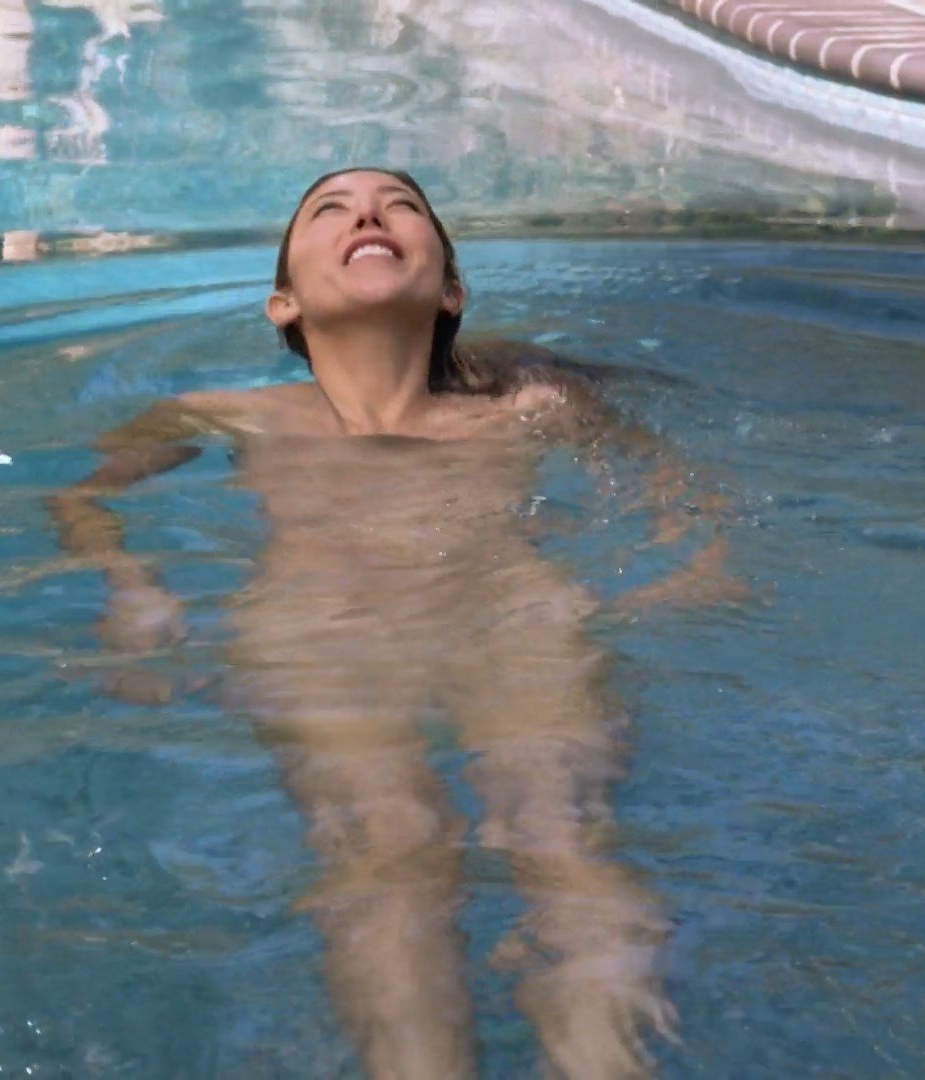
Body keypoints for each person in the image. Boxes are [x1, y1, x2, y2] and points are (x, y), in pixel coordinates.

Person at [47, 168, 739, 1079]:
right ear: (283, 305)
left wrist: (694, 567)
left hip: (512, 624)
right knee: (386, 848)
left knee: (561, 839)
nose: (368, 212)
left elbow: (676, 490)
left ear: (450, 289)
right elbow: (82, 499)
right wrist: (132, 589)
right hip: (321, 632)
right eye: (330, 210)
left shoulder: (530, 408)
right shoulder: (226, 416)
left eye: (401, 206)